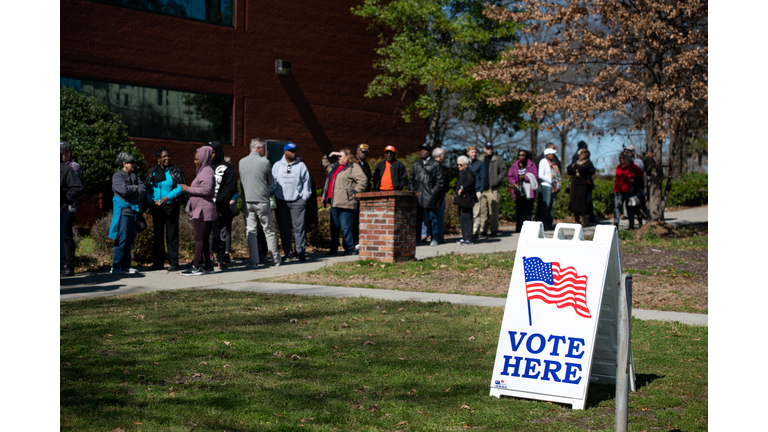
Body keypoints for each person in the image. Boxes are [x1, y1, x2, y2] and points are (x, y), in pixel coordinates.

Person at [240, 138, 282, 268]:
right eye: (264, 148)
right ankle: (275, 258)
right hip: (262, 199)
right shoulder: (265, 163)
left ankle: (254, 260)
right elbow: (270, 181)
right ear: (258, 148)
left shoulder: (242, 162)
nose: (265, 151)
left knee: (251, 230)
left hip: (248, 200)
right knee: (268, 229)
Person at [145, 147, 186, 272]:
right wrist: (152, 200)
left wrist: (167, 197)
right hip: (156, 207)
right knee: (158, 235)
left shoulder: (175, 171)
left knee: (172, 235)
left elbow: (180, 187)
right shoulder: (152, 173)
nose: (167, 158)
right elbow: (147, 189)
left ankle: (174, 262)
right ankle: (158, 263)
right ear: (158, 159)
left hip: (170, 206)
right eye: (164, 156)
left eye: (168, 156)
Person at [322, 148, 368, 255]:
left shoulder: (353, 167)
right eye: (337, 156)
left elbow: (363, 180)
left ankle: (349, 249)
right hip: (334, 202)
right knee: (334, 228)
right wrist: (331, 153)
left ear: (347, 158)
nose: (338, 158)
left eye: (340, 156)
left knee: (346, 228)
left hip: (347, 203)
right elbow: (324, 161)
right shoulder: (334, 167)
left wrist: (355, 191)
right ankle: (333, 249)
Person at [271, 142, 312, 262]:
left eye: (295, 151)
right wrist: (272, 192)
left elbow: (306, 183)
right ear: (285, 152)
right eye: (291, 151)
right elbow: (272, 182)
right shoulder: (277, 165)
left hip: (297, 201)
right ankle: (288, 252)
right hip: (281, 201)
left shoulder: (301, 166)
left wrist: (304, 197)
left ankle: (300, 252)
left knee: (299, 228)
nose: (294, 153)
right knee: (284, 228)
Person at [179, 146, 216, 275]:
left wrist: (188, 189)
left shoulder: (206, 172)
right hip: (202, 209)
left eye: (197, 159)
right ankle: (207, 265)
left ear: (204, 158)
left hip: (202, 210)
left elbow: (206, 190)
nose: (194, 162)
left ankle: (196, 266)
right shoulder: (204, 171)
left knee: (199, 238)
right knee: (204, 239)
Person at [108, 152, 145, 275]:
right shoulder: (117, 176)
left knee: (130, 239)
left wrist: (133, 188)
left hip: (133, 212)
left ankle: (126, 265)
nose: (134, 165)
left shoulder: (134, 175)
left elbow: (143, 189)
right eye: (131, 163)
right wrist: (135, 188)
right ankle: (116, 266)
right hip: (123, 212)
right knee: (121, 239)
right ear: (124, 164)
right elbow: (123, 190)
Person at [207, 141, 238, 270]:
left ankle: (221, 259)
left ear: (218, 152)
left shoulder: (227, 168)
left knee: (220, 234)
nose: (209, 155)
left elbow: (231, 187)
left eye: (212, 152)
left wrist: (218, 199)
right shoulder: (205, 167)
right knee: (207, 234)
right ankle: (207, 258)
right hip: (206, 207)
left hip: (220, 207)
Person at [409, 143, 445, 244]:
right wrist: (413, 191)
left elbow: (440, 181)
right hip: (418, 196)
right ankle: (417, 238)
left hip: (431, 196)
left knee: (433, 218)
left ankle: (434, 238)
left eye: (425, 149)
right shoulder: (416, 164)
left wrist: (434, 192)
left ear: (429, 152)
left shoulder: (436, 164)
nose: (423, 151)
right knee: (418, 219)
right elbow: (411, 180)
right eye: (422, 149)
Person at [60, 142, 83, 276]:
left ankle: (69, 265)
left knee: (67, 236)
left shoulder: (73, 167)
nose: (67, 154)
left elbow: (72, 187)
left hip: (68, 206)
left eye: (68, 151)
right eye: (64, 151)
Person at [476, 142, 507, 237]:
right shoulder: (480, 159)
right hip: (482, 189)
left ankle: (493, 229)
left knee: (493, 211)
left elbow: (503, 170)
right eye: (487, 148)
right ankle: (483, 230)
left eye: (491, 148)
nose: (489, 149)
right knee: (482, 211)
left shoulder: (498, 159)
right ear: (484, 149)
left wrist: (496, 180)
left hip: (493, 189)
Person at [508, 149, 538, 233]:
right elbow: (510, 176)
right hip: (518, 191)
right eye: (519, 155)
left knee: (528, 211)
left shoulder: (531, 165)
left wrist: (525, 177)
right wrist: (514, 183)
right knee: (519, 211)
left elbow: (535, 176)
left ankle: (528, 229)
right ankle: (518, 228)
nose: (521, 156)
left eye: (523, 155)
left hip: (528, 191)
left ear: (526, 156)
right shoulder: (514, 165)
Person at [566, 148, 596, 228]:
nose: (580, 156)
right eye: (580, 154)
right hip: (574, 184)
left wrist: (575, 168)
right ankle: (576, 220)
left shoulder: (588, 163)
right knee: (574, 203)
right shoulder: (576, 161)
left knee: (582, 203)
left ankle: (583, 220)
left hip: (582, 186)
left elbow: (584, 169)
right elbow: (569, 168)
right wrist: (577, 169)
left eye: (582, 154)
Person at [613, 152, 644, 230]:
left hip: (629, 191)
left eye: (623, 158)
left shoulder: (633, 167)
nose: (621, 159)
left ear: (627, 158)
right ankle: (616, 224)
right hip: (618, 190)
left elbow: (640, 176)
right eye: (620, 158)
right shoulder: (619, 167)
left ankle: (631, 225)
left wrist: (634, 179)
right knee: (617, 208)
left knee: (630, 208)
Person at [536, 146, 562, 231]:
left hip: (554, 187)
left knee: (552, 205)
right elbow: (540, 175)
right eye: (552, 154)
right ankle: (544, 223)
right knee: (546, 205)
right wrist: (551, 180)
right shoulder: (543, 161)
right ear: (548, 154)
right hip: (546, 185)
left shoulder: (553, 163)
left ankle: (549, 223)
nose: (554, 156)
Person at [353, 143, 372, 249]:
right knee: (354, 220)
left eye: (365, 152)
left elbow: (368, 181)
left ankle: (360, 240)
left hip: (364, 197)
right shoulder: (353, 163)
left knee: (362, 220)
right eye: (362, 151)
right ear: (357, 151)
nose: (364, 154)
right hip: (355, 197)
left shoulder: (366, 165)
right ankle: (354, 241)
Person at [455, 155, 477, 245]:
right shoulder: (462, 173)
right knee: (461, 218)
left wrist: (462, 188)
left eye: (460, 164)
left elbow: (470, 181)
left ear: (466, 164)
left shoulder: (469, 173)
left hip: (467, 200)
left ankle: (469, 238)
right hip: (462, 201)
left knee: (467, 219)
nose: (459, 166)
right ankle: (464, 237)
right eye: (458, 165)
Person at [466, 145, 486, 240]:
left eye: (475, 152)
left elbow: (483, 178)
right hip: (468, 192)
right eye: (472, 152)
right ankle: (468, 232)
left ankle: (475, 233)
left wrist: (481, 190)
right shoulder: (465, 164)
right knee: (468, 213)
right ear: (468, 153)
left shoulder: (480, 164)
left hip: (477, 191)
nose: (474, 154)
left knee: (476, 213)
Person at [430, 147, 449, 245]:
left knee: (440, 217)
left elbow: (446, 182)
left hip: (441, 196)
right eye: (444, 155)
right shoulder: (430, 166)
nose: (445, 157)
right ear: (439, 155)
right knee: (433, 217)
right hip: (432, 196)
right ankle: (434, 237)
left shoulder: (443, 168)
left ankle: (441, 236)